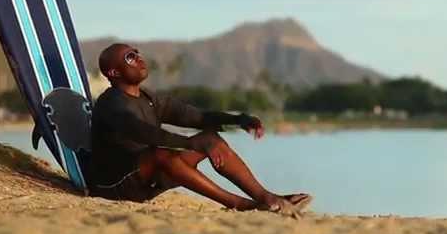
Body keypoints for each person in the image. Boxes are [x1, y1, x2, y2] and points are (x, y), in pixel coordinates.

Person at [87, 43, 312, 218]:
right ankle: (243, 205)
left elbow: (196, 117)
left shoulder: (149, 99)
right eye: (130, 57)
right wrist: (188, 143)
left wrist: (239, 120)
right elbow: (141, 132)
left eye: (137, 53)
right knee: (162, 153)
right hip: (114, 186)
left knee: (210, 139)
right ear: (113, 73)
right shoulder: (111, 103)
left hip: (146, 181)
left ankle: (267, 197)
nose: (139, 59)